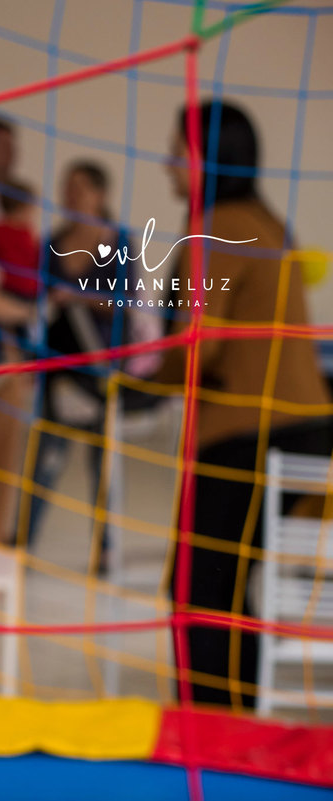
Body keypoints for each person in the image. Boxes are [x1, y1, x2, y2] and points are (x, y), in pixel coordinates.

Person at [158, 100, 332, 710]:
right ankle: (233, 717)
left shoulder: (220, 229)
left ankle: (216, 727)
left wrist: (143, 369)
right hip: (306, 429)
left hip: (252, 434)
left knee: (198, 588)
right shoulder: (269, 221)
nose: (167, 165)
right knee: (223, 587)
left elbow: (193, 348)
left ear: (208, 159)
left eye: (178, 152)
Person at [21, 161, 131, 561]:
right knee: (45, 462)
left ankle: (105, 550)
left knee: (103, 469)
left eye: (81, 188)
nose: (71, 195)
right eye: (66, 187)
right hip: (56, 370)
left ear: (101, 194)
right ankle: (23, 542)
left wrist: (79, 299)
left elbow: (126, 304)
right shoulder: (51, 243)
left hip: (102, 374)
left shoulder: (119, 242)